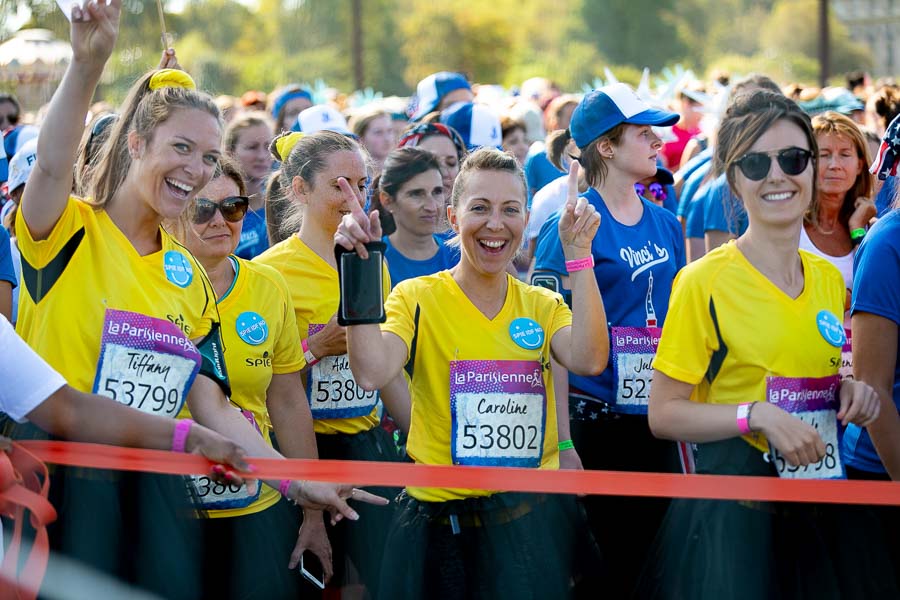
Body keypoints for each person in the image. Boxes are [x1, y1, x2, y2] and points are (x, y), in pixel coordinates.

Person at [13, 3, 382, 594]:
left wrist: (291, 481)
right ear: (135, 142)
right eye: (181, 148)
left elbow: (210, 402)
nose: (196, 169)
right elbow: (54, 163)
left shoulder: (186, 273)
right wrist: (87, 63)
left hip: (150, 491)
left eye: (210, 157)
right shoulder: (66, 227)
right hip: (56, 484)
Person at [639, 90, 893, 599]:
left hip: (821, 513)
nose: (777, 175)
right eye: (756, 163)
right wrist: (754, 415)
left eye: (794, 159)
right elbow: (663, 413)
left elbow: (811, 374)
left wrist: (848, 393)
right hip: (736, 525)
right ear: (734, 179)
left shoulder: (825, 277)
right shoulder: (702, 281)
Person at [337, 148, 608, 599]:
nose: (495, 225)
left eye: (510, 210)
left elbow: (589, 359)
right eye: (479, 208)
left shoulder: (540, 305)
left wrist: (579, 257)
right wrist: (360, 270)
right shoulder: (416, 296)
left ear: (526, 219)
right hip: (443, 532)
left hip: (528, 526)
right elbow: (370, 371)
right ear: (452, 217)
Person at [532, 82, 685, 597]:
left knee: (657, 568)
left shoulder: (667, 224)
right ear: (606, 146)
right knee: (609, 574)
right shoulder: (569, 225)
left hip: (658, 420)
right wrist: (562, 440)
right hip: (593, 423)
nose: (658, 142)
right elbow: (545, 343)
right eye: (644, 133)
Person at [255, 130, 405, 597]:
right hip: (301, 451)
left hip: (367, 447)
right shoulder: (269, 272)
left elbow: (384, 368)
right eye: (339, 185)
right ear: (298, 189)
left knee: (390, 581)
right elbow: (260, 381)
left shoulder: (369, 260)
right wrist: (313, 348)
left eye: (361, 184)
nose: (353, 197)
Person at [172, 157, 330, 597]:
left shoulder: (268, 284)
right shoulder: (148, 285)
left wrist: (311, 512)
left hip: (255, 506)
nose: (220, 221)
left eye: (233, 207)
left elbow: (288, 401)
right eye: (203, 209)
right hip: (169, 514)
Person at [804, 111, 876, 310]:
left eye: (845, 154)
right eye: (824, 155)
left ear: (860, 165)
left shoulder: (872, 230)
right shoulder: (789, 228)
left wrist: (857, 230)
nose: (834, 165)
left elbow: (875, 294)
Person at [368, 147, 459, 286]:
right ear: (387, 200)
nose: (431, 206)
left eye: (437, 191)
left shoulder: (459, 255)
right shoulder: (375, 259)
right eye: (416, 194)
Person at [225, 112, 275, 259]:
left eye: (268, 147)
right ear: (230, 153)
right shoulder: (217, 212)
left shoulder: (282, 208)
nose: (261, 156)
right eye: (252, 147)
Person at [349, 108, 395, 175]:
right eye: (378, 132)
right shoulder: (353, 175)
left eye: (390, 131)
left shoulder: (403, 169)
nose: (387, 139)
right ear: (361, 139)